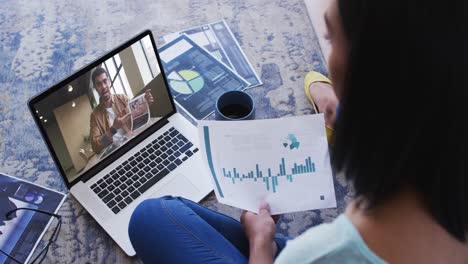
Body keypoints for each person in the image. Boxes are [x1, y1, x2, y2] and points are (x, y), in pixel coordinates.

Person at [128, 0, 468, 263]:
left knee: (150, 217)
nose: (328, 55)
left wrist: (261, 246)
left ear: (369, 75)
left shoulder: (320, 252)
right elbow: (313, 80)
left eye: (331, 39)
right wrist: (332, 97)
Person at [89, 67, 154, 154]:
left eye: (105, 81)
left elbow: (135, 120)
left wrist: (145, 105)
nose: (103, 86)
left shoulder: (123, 98)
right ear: (96, 88)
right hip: (116, 153)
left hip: (133, 143)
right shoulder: (94, 116)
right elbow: (95, 146)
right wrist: (113, 129)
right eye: (99, 84)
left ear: (109, 82)